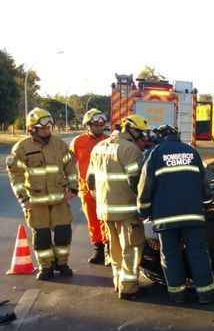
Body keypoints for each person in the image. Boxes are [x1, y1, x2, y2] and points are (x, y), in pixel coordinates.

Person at [137, 125, 214, 304]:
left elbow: (145, 186)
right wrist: (207, 203)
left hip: (166, 218)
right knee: (198, 253)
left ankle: (177, 295)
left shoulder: (155, 154)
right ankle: (206, 293)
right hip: (192, 215)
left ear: (159, 137)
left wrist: (143, 210)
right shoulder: (190, 152)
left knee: (170, 254)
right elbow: (204, 182)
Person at [6, 108, 79, 280]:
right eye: (43, 128)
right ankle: (45, 267)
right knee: (42, 237)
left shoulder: (59, 144)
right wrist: (23, 199)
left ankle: (62, 263)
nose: (47, 131)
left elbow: (70, 166)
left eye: (49, 128)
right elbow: (15, 176)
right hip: (36, 202)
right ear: (32, 129)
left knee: (63, 233)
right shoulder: (21, 148)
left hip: (59, 200)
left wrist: (73, 186)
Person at [88, 114, 148, 300]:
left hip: (105, 209)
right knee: (132, 246)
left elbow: (90, 179)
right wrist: (145, 202)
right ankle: (129, 286)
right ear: (130, 130)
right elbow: (137, 181)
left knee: (114, 247)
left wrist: (100, 200)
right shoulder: (130, 149)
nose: (143, 137)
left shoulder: (99, 147)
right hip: (126, 209)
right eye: (140, 133)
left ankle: (118, 281)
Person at [70, 109, 109, 264]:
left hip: (106, 188)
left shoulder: (109, 141)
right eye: (95, 124)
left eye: (101, 124)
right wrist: (71, 185)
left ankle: (109, 249)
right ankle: (98, 250)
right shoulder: (78, 142)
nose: (99, 127)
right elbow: (69, 165)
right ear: (88, 125)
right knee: (93, 221)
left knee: (107, 220)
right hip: (86, 190)